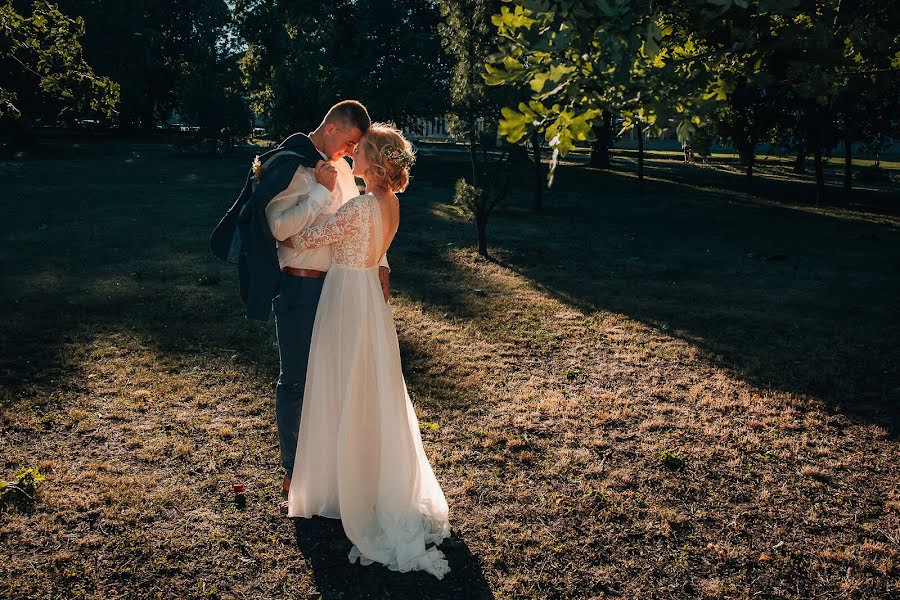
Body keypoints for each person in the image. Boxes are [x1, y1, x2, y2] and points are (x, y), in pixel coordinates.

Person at [282, 123, 451, 578]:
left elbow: (302, 240)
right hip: (369, 303)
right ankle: (363, 477)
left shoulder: (359, 206)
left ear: (372, 160)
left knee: (345, 384)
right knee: (371, 387)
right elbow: (378, 252)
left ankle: (347, 486)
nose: (351, 156)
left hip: (347, 299)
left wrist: (313, 198)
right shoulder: (390, 203)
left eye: (358, 152)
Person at [264, 101, 391, 498]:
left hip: (340, 289)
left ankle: (328, 467)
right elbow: (279, 228)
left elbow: (363, 218)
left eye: (359, 147)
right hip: (301, 286)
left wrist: (382, 259)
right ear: (332, 127)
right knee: (298, 381)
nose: (353, 151)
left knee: (333, 380)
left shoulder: (345, 171)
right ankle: (293, 470)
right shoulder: (295, 166)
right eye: (351, 142)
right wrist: (320, 192)